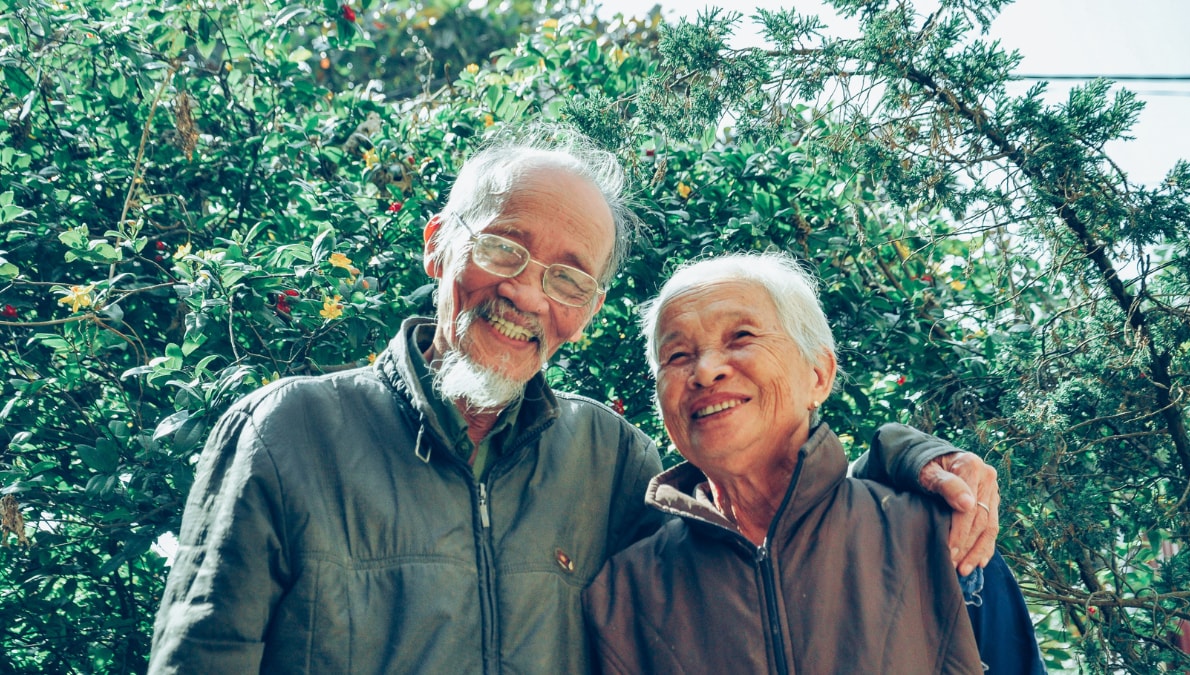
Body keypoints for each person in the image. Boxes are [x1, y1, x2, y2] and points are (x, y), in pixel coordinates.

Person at [148, 128, 1001, 673]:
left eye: (566, 276)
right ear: (439, 246)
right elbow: (201, 657)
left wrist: (909, 458)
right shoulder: (290, 431)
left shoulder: (610, 457)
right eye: (504, 248)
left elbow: (765, 527)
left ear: (587, 310)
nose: (526, 293)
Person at [583, 252, 1045, 674]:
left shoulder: (939, 536)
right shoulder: (624, 593)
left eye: (741, 337)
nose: (704, 371)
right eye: (677, 356)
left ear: (819, 375)